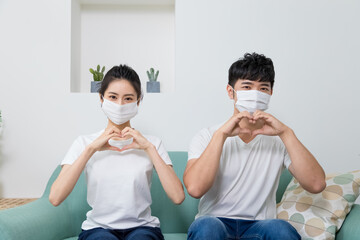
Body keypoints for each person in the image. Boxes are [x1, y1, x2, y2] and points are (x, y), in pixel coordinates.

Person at [183, 53, 326, 240]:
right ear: (230, 91)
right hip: (215, 222)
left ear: (270, 93)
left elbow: (316, 184)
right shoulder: (207, 135)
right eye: (247, 86)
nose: (255, 93)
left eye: (263, 88)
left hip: (260, 225)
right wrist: (221, 136)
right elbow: (195, 189)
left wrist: (286, 133)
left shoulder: (280, 139)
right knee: (206, 225)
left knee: (281, 229)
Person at [49, 65, 185, 240]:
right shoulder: (84, 143)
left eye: (128, 98)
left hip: (143, 228)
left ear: (138, 101)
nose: (120, 105)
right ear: (101, 98)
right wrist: (91, 149)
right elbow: (55, 197)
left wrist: (149, 148)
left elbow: (178, 196)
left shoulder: (152, 143)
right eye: (113, 97)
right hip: (98, 229)